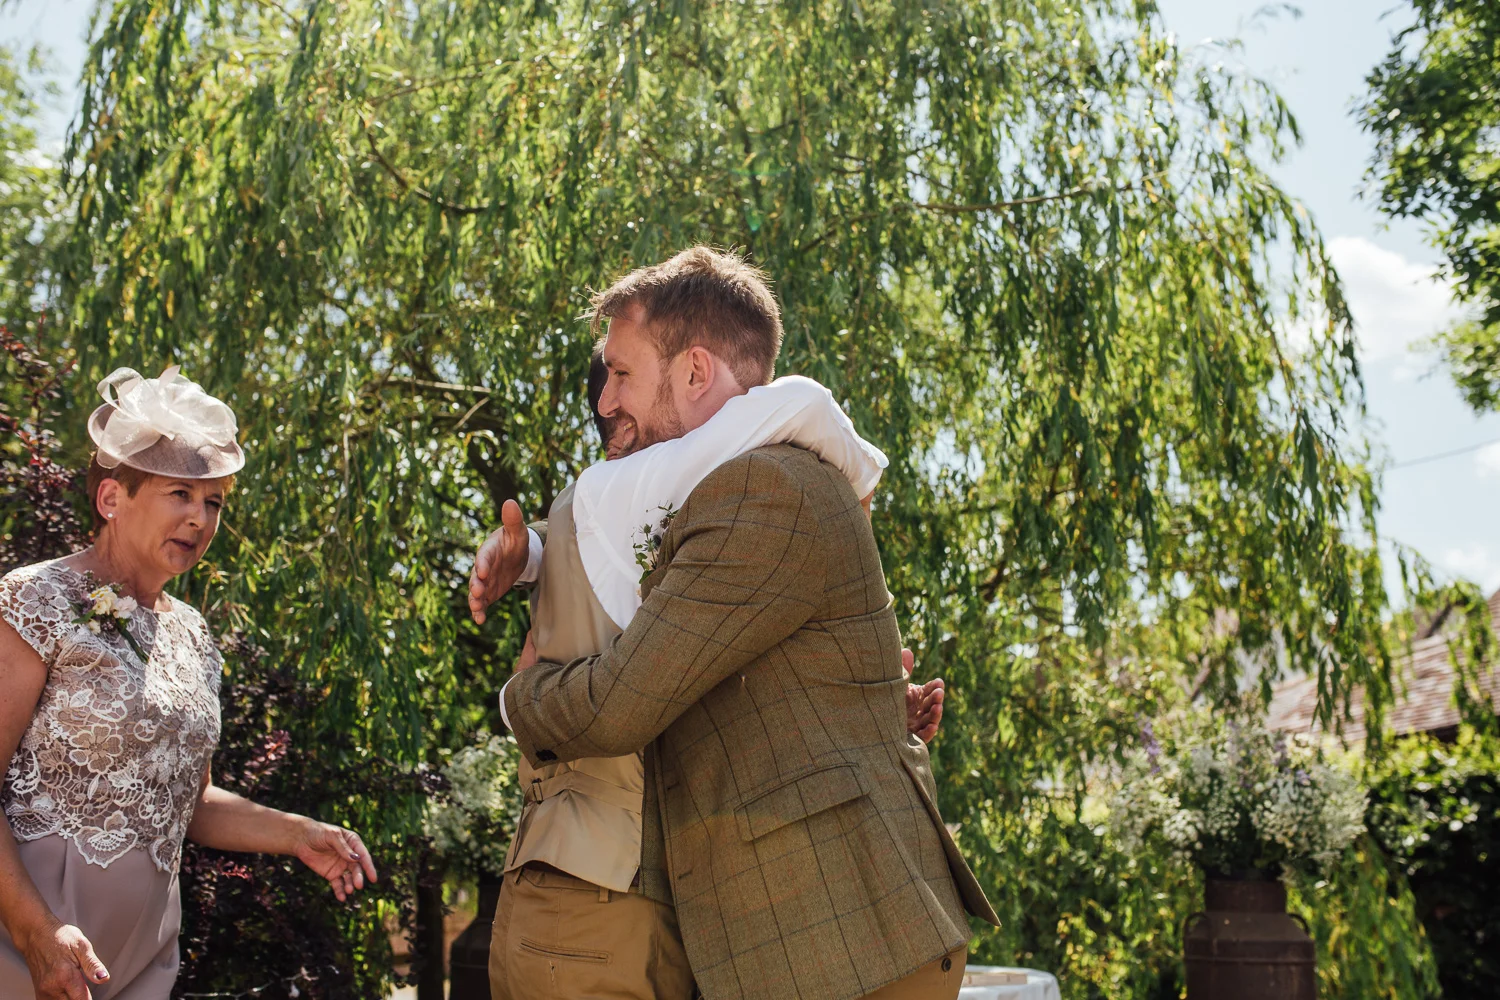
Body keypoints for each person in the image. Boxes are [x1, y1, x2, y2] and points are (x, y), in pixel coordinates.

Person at [479, 247, 995, 1000]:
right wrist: (532, 557)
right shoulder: (747, 476)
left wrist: (516, 697)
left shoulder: (760, 488)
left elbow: (625, 701)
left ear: (694, 372)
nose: (604, 399)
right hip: (812, 931)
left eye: (621, 373)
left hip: (842, 937)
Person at [0, 367, 378, 1000]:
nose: (200, 519)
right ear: (112, 498)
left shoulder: (193, 633)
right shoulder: (33, 599)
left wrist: (298, 835)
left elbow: (190, 800)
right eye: (180, 493)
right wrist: (35, 932)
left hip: (144, 957)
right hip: (29, 946)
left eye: (214, 502)